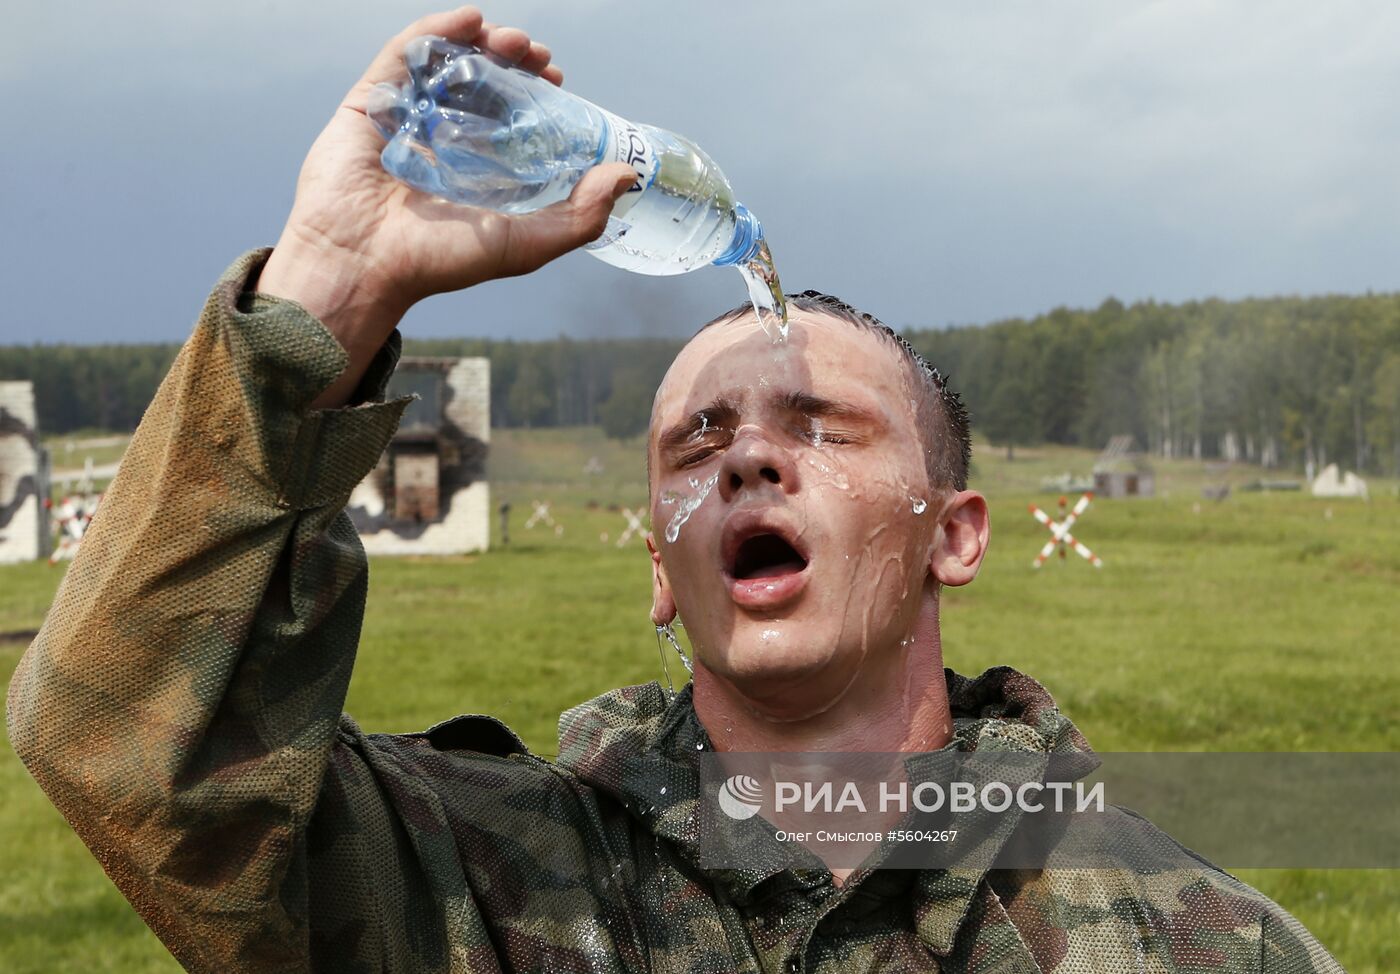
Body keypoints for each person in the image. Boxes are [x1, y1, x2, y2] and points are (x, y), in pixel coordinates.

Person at [7, 7, 1345, 973]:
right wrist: (331, 289)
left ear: (956, 533)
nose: (751, 456)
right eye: (698, 442)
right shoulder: (491, 883)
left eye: (822, 426)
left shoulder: (1182, 933)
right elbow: (127, 747)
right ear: (660, 562)